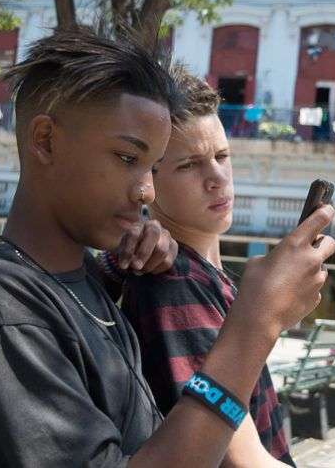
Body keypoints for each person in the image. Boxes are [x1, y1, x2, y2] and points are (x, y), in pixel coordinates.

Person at [0, 26, 335, 468]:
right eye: (128, 159)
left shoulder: (88, 286)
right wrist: (255, 321)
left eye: (152, 167)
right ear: (45, 141)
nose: (147, 191)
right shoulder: (1, 306)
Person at [99, 66, 294, 466]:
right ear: (148, 181)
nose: (217, 178)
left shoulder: (203, 275)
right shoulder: (174, 281)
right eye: (190, 165)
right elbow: (239, 460)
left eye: (222, 156)